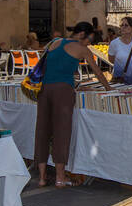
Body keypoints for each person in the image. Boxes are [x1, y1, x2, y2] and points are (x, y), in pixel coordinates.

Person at [34, 21, 110, 187]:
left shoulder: (54, 43)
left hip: (44, 89)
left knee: (42, 131)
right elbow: (98, 72)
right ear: (82, 35)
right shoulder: (82, 49)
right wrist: (109, 88)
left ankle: (41, 177)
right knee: (61, 131)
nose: (89, 42)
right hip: (63, 91)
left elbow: (45, 65)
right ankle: (60, 177)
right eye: (89, 38)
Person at [108, 16, 132, 85]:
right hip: (119, 79)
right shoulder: (114, 43)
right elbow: (111, 59)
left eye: (126, 25)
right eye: (122, 25)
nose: (123, 27)